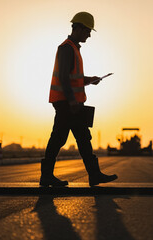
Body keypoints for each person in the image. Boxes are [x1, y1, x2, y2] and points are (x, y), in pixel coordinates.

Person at [40, 12, 118, 187]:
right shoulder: (67, 48)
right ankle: (48, 176)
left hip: (70, 103)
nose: (89, 35)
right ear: (80, 28)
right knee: (64, 138)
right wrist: (72, 101)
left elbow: (73, 77)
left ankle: (92, 175)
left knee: (77, 138)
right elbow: (63, 77)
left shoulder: (73, 48)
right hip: (67, 103)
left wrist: (90, 79)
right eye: (88, 31)